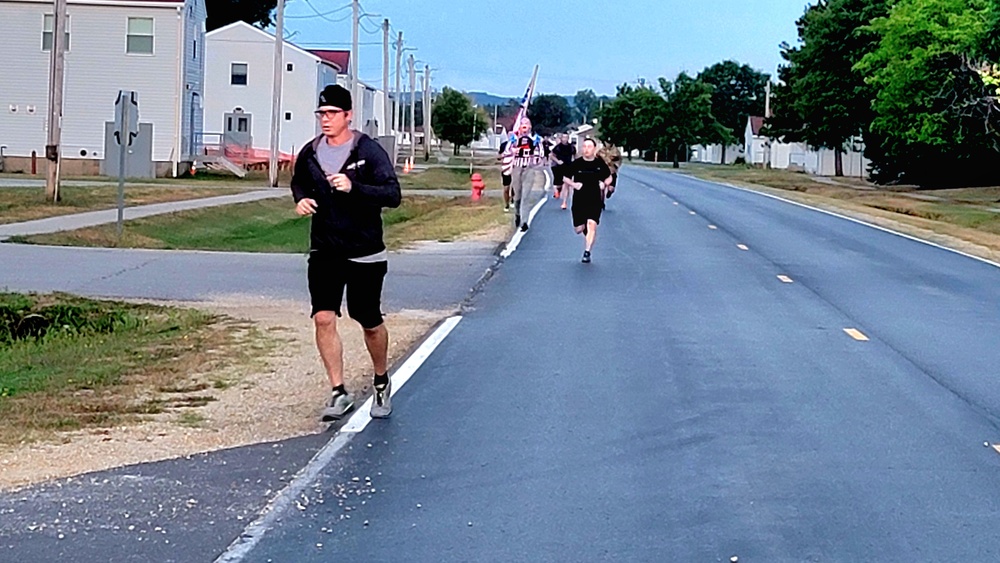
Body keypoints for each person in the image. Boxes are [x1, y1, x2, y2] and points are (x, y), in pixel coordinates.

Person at [290, 84, 402, 422]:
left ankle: (381, 380)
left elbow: (392, 194)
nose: (326, 120)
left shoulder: (368, 151)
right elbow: (298, 181)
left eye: (332, 114)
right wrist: (300, 199)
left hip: (365, 249)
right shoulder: (310, 152)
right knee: (323, 316)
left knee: (367, 320)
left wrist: (355, 188)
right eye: (321, 114)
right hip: (325, 247)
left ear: (348, 116)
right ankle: (338, 391)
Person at [562, 137, 612, 263]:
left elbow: (609, 177)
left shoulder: (600, 164)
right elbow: (565, 178)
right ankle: (588, 233)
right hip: (579, 199)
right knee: (579, 229)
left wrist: (604, 184)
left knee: (592, 224)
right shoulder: (577, 163)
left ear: (594, 149)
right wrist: (574, 185)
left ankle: (587, 251)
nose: (586, 149)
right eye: (584, 147)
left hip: (594, 198)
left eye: (589, 147)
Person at [505, 117, 547, 231]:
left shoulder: (535, 139)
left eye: (527, 123)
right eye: (523, 123)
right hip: (517, 167)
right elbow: (507, 150)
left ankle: (524, 221)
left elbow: (541, 153)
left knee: (526, 195)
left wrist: (536, 160)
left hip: (529, 168)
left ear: (530, 126)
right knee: (517, 195)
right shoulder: (514, 138)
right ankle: (517, 214)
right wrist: (513, 150)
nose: (525, 125)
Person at [549, 133, 576, 210]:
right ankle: (557, 191)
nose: (565, 139)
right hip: (559, 167)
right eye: (563, 138)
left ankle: (564, 203)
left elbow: (575, 156)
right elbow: (551, 155)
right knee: (558, 184)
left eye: (566, 138)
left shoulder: (571, 147)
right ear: (561, 139)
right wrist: (557, 161)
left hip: (568, 167)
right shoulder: (558, 147)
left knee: (567, 184)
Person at [497, 138, 514, 212]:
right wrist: (503, 155)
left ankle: (513, 199)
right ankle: (506, 204)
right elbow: (498, 157)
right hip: (506, 169)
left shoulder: (518, 144)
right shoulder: (504, 145)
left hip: (515, 168)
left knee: (514, 186)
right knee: (506, 188)